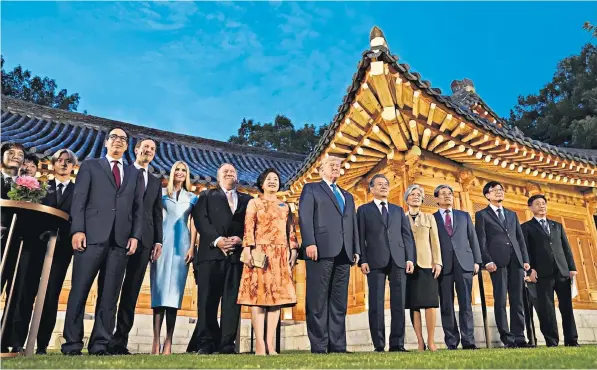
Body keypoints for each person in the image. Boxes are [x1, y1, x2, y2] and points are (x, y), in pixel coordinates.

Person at [62, 127, 144, 356]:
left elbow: (139, 209)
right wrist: (77, 230)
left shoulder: (134, 174)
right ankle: (72, 343)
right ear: (106, 142)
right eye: (114, 138)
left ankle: (100, 344)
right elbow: (78, 201)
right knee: (79, 291)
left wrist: (135, 236)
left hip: (120, 242)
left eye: (123, 139)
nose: (118, 142)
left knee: (109, 296)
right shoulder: (90, 166)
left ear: (127, 147)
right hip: (91, 238)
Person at [4, 149, 77, 354]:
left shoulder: (78, 191)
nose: (63, 164)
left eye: (68, 161)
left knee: (51, 295)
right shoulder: (41, 188)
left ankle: (42, 343)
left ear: (72, 166)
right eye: (59, 160)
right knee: (24, 293)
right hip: (34, 246)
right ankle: (17, 340)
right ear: (53, 164)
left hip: (60, 250)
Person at [298, 155, 360, 354]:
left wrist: (356, 249)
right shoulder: (312, 189)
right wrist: (309, 242)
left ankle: (338, 345)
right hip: (320, 249)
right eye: (331, 165)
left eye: (338, 165)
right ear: (321, 169)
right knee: (317, 299)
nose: (336, 167)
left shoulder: (347, 195)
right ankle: (319, 345)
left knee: (339, 301)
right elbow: (305, 217)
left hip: (344, 252)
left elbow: (353, 224)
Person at [187, 163, 251, 354]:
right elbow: (200, 220)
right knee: (207, 300)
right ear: (218, 176)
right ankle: (205, 343)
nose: (229, 174)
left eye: (233, 171)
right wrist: (217, 240)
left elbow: (252, 224)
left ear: (237, 177)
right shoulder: (207, 196)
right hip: (211, 254)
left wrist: (241, 239)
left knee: (232, 302)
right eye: (226, 172)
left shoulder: (247, 199)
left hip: (235, 257)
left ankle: (227, 344)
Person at [110, 138, 164, 355]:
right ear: (136, 150)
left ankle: (120, 341)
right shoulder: (124, 173)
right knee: (111, 288)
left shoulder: (155, 181)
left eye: (152, 149)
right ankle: (102, 337)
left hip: (145, 241)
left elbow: (157, 213)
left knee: (131, 291)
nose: (148, 151)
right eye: (145, 147)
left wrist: (158, 240)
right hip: (120, 237)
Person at [237, 168, 298, 356]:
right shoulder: (254, 203)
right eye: (269, 179)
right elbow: (248, 226)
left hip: (280, 253)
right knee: (258, 299)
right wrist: (247, 248)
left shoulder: (285, 206)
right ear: (262, 183)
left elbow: (291, 230)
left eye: (276, 179)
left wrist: (293, 250)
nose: (273, 181)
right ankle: (260, 345)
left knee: (276, 300)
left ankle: (271, 344)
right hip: (260, 252)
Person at [357, 174, 414, 353]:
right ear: (372, 189)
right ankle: (379, 344)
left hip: (398, 259)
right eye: (379, 184)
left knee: (399, 303)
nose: (383, 187)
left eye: (386, 184)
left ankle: (397, 343)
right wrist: (363, 260)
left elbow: (407, 236)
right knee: (376, 303)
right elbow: (360, 237)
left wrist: (409, 258)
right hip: (374, 260)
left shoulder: (398, 210)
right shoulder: (364, 210)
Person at [475, 181, 530, 348]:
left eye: (501, 189)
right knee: (500, 300)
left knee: (518, 300)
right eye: (495, 190)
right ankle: (507, 338)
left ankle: (519, 337)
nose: (499, 192)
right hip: (497, 262)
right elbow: (481, 240)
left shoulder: (512, 214)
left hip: (516, 261)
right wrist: (487, 260)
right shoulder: (482, 215)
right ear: (487, 195)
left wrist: (525, 259)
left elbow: (519, 238)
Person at [150, 161, 197, 355]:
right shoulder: (161, 193)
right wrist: (155, 241)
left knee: (175, 293)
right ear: (172, 172)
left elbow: (194, 223)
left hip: (182, 244)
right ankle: (155, 340)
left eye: (183, 170)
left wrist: (192, 247)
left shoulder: (193, 197)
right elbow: (154, 217)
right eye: (177, 169)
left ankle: (168, 341)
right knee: (159, 290)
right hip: (163, 241)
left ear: (187, 174)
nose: (179, 173)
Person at [522, 194, 579, 347]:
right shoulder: (526, 227)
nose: (542, 206)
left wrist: (572, 268)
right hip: (542, 274)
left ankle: (572, 340)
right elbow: (526, 251)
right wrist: (530, 270)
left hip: (562, 272)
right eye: (538, 204)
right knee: (547, 310)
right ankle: (552, 341)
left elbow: (566, 248)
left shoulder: (557, 226)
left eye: (543, 203)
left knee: (567, 307)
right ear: (531, 207)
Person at [433, 184, 481, 350]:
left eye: (450, 194)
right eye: (443, 194)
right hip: (443, 266)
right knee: (446, 305)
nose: (447, 196)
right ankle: (451, 341)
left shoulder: (464, 216)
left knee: (466, 304)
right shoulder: (432, 218)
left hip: (465, 263)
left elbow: (473, 239)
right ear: (437, 199)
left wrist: (477, 261)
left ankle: (469, 341)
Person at [404, 185, 442, 352]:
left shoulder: (429, 218)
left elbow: (435, 241)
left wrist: (438, 261)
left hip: (427, 264)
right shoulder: (401, 218)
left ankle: (431, 340)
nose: (415, 197)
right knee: (414, 305)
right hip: (408, 265)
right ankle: (420, 342)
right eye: (412, 194)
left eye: (418, 195)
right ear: (406, 199)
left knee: (430, 303)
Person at [0, 142, 25, 353]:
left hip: (19, 244)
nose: (15, 157)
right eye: (11, 153)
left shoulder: (27, 185)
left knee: (15, 293)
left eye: (20, 154)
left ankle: (4, 339)